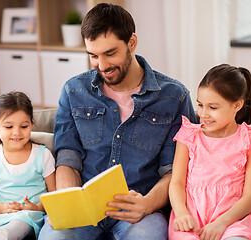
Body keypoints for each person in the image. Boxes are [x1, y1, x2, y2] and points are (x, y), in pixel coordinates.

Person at [38, 3, 196, 240]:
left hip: (141, 211)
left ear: (132, 42)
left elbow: (175, 172)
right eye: (93, 55)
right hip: (85, 212)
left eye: (110, 53)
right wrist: (69, 203)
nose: (102, 66)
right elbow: (67, 159)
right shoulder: (73, 91)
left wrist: (146, 205)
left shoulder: (174, 97)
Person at [168, 64, 251, 240]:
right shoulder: (188, 135)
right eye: (200, 105)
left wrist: (222, 223)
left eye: (212, 108)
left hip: (232, 221)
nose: (203, 114)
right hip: (190, 217)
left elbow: (250, 195)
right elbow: (176, 182)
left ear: (237, 105)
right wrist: (181, 213)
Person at [0, 91, 56, 240]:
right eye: (8, 127)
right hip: (3, 217)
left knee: (22, 219)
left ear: (31, 125)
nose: (17, 132)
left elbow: (54, 194)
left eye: (24, 126)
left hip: (34, 216)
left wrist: (37, 207)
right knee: (11, 223)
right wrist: (2, 208)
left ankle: (1, 236)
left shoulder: (42, 155)